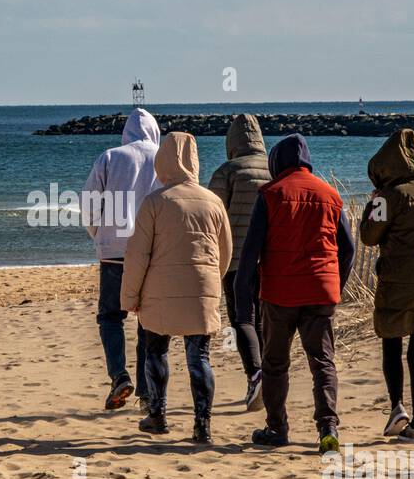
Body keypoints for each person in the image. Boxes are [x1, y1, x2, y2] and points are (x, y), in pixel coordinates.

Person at [234, 133, 355, 454]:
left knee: (275, 363)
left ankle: (277, 427)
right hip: (321, 291)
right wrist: (335, 284)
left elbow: (250, 253)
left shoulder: (271, 194)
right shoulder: (330, 195)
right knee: (323, 362)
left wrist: (242, 295)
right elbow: (349, 248)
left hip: (280, 293)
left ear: (277, 162)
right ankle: (328, 427)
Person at [121, 132, 231, 444]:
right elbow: (225, 252)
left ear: (163, 162)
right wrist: (212, 284)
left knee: (156, 350)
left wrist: (130, 296)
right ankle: (202, 425)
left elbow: (137, 254)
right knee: (200, 358)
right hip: (202, 289)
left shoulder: (154, 203)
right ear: (195, 162)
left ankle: (157, 414)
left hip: (159, 293)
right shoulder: (213, 202)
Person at [359, 128, 414, 446]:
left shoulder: (387, 196)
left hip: (397, 282)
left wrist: (371, 206)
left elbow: (369, 236)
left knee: (391, 344)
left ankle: (397, 407)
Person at [82, 107, 161, 412]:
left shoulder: (110, 157)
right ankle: (145, 392)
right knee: (148, 321)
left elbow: (89, 201)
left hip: (114, 252)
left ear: (126, 133)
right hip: (152, 252)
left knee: (111, 316)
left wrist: (99, 234)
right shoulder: (162, 157)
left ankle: (119, 375)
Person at [207, 113, 270, 411]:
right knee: (264, 319)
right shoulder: (276, 169)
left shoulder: (227, 171)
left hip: (235, 260)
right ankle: (267, 374)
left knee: (242, 318)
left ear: (231, 142)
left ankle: (255, 374)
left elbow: (211, 217)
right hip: (270, 259)